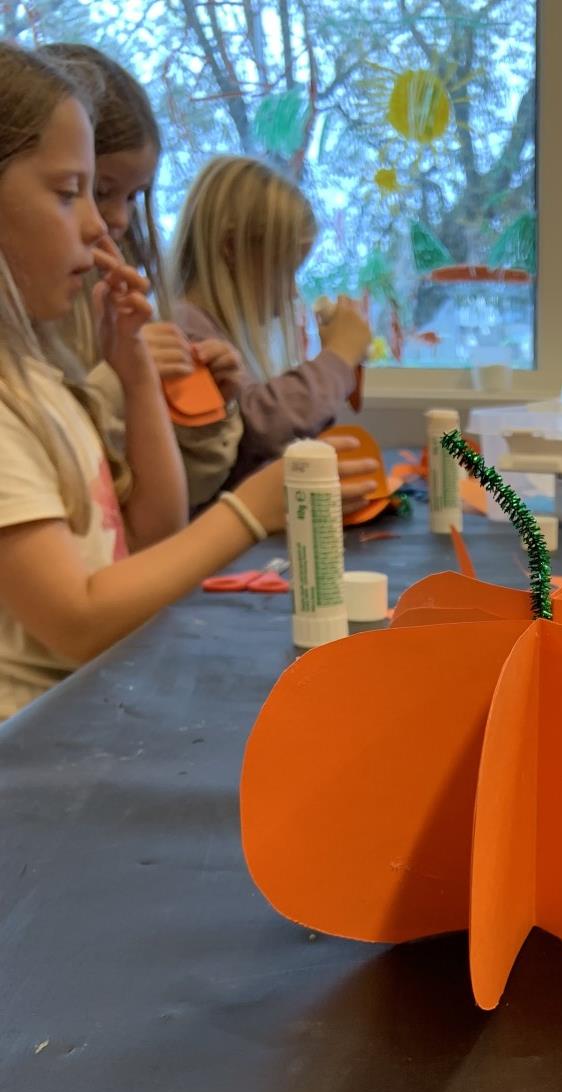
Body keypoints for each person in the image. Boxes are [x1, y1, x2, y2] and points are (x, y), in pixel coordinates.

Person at [0, 45, 357, 722]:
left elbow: (153, 534)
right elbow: (76, 621)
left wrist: (135, 373)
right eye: (71, 193)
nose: (102, 226)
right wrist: (250, 512)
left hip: (79, 715)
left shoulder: (42, 380)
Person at [37, 42, 244, 512]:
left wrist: (206, 413)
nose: (119, 219)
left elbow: (169, 506)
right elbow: (52, 482)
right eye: (95, 190)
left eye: (133, 197)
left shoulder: (121, 295)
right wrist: (121, 383)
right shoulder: (35, 311)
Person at [171, 155, 371, 488]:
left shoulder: (214, 330)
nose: (293, 292)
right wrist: (338, 357)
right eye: (286, 271)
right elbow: (261, 426)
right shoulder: (185, 330)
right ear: (232, 248)